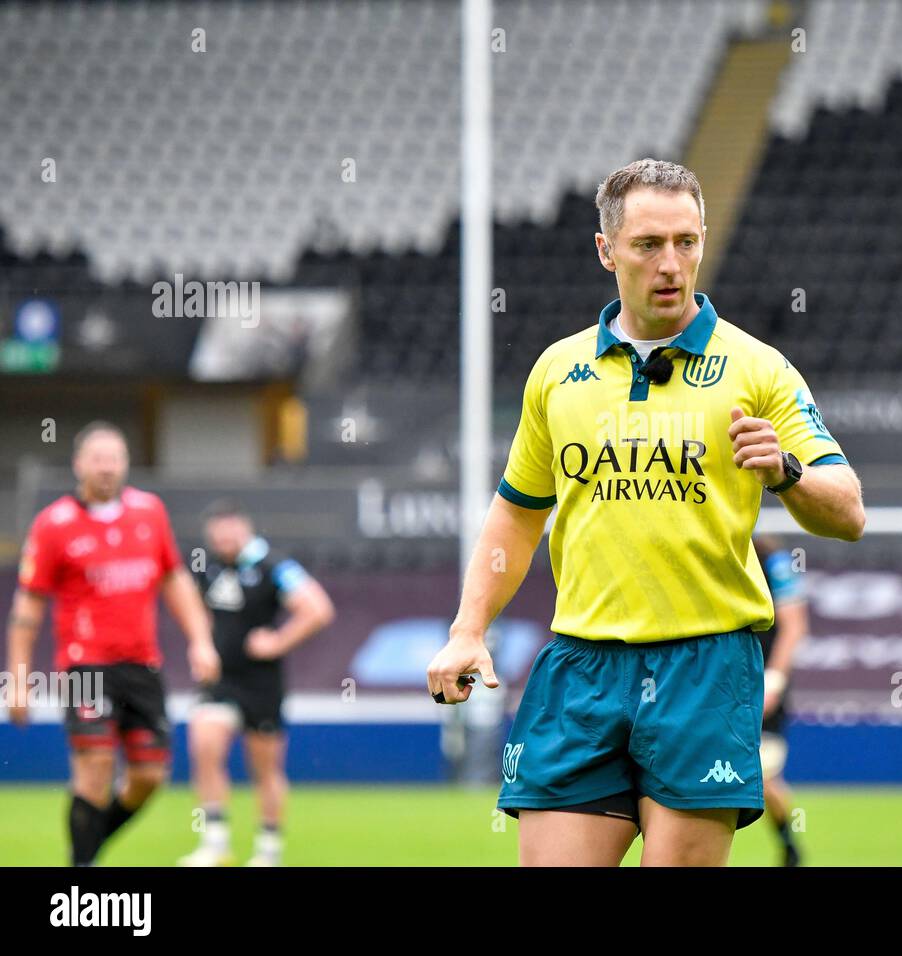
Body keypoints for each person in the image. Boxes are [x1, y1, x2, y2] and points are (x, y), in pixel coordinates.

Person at [426, 158, 865, 866]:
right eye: (649, 245)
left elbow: (847, 511)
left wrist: (786, 470)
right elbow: (516, 515)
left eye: (687, 243)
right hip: (583, 669)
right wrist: (468, 628)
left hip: (706, 666)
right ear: (607, 251)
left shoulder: (758, 368)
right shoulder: (557, 373)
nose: (672, 264)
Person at [4, 421, 220, 866]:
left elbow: (174, 579)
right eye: (97, 459)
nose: (106, 468)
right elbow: (28, 610)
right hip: (85, 668)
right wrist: (18, 679)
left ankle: (85, 843)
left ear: (125, 464)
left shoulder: (149, 512)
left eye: (114, 459)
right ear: (79, 464)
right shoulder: (54, 525)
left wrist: (201, 640)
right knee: (96, 765)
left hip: (142, 666)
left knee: (149, 776)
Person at [179, 500, 334, 866]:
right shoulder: (206, 566)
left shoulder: (273, 566)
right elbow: (191, 606)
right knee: (204, 744)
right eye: (217, 529)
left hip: (261, 684)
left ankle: (268, 850)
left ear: (245, 528)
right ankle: (215, 843)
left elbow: (318, 609)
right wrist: (200, 646)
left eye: (230, 527)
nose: (223, 536)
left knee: (264, 768)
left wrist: (278, 641)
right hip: (219, 680)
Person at [752, 535, 810, 866]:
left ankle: (789, 845)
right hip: (716, 682)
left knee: (763, 773)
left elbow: (794, 626)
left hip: (760, 684)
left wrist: (773, 680)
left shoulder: (774, 562)